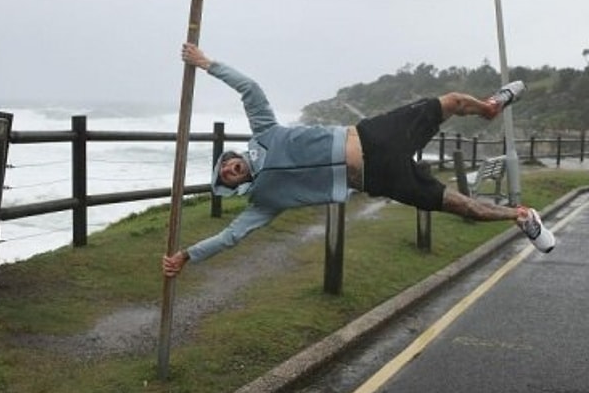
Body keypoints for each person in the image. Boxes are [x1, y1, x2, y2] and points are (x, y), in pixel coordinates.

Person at [162, 43, 554, 277]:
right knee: (457, 205)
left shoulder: (265, 132)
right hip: (376, 178)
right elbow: (232, 237)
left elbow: (249, 88)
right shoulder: (265, 202)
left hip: (372, 134)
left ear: (235, 157)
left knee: (451, 101)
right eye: (228, 177)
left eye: (228, 164)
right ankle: (522, 217)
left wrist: (206, 63)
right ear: (237, 186)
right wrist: (186, 256)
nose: (230, 169)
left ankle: (489, 107)